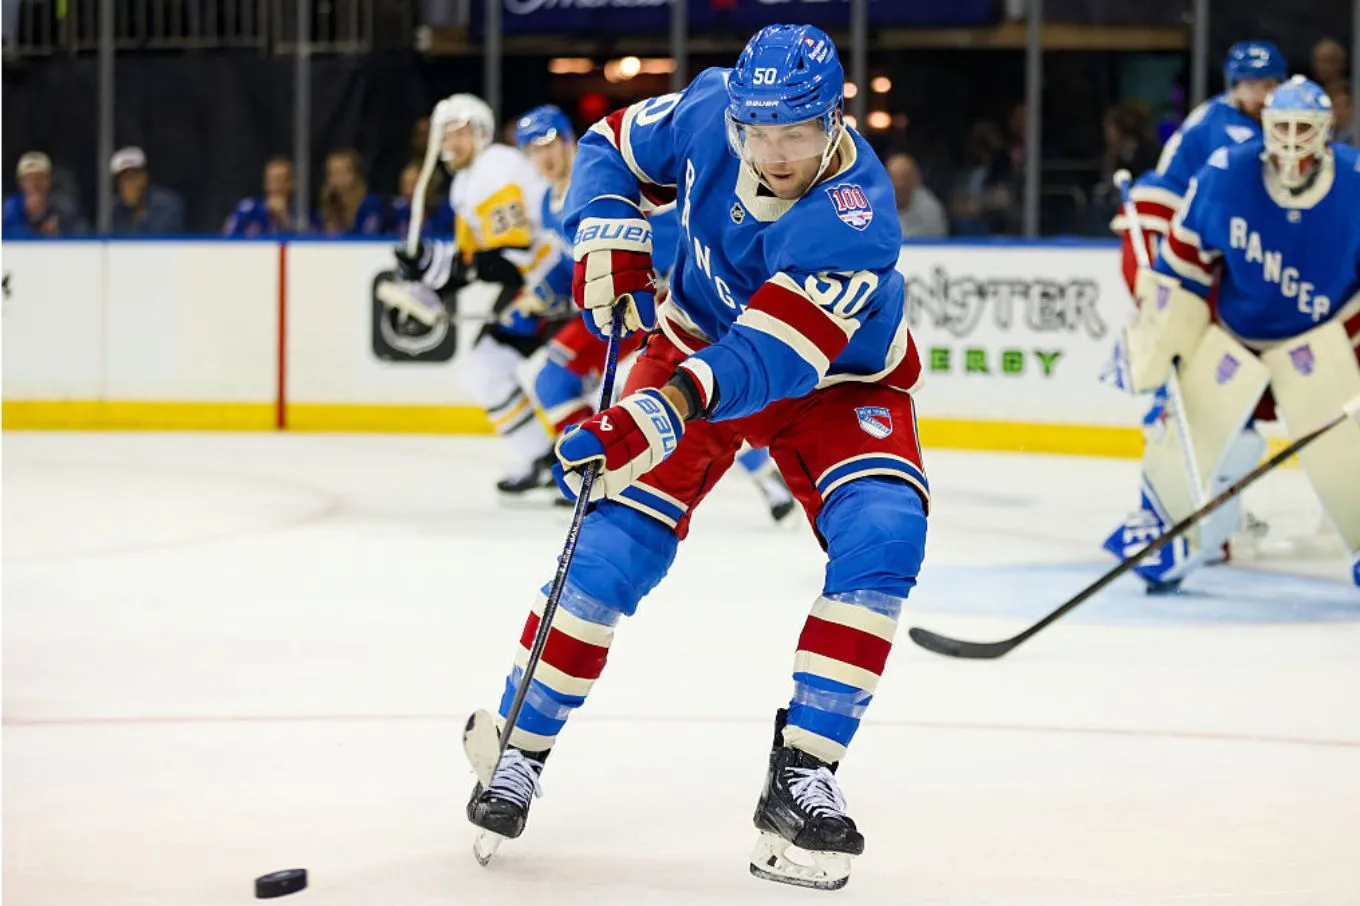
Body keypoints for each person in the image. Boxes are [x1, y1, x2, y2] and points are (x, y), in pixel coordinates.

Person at [465, 25, 929, 890]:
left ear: (835, 120)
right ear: (737, 120)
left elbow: (768, 360)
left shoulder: (855, 216)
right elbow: (608, 144)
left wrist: (655, 412)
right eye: (760, 133)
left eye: (798, 132)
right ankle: (519, 744)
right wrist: (605, 226)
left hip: (834, 380)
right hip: (693, 343)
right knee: (610, 552)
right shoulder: (709, 107)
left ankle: (803, 774)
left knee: (887, 534)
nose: (777, 154)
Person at [1103, 77, 1360, 591]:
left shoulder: (1355, 181)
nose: (1292, 140)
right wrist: (1161, 341)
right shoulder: (1225, 174)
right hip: (1235, 336)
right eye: (1282, 126)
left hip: (1320, 338)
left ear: (1326, 130)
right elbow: (1183, 267)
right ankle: (1171, 533)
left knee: (1345, 449)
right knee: (1192, 434)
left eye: (1303, 128)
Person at [513, 103, 797, 521]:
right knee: (556, 381)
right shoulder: (546, 204)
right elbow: (574, 261)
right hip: (615, 310)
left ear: (570, 140)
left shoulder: (610, 180)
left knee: (685, 393)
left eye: (550, 142)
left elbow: (674, 229)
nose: (544, 155)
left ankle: (608, 473)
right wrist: (542, 293)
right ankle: (596, 470)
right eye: (532, 149)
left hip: (656, 301)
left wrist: (663, 272)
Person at [390, 94, 568, 499]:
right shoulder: (465, 184)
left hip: (558, 280)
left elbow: (507, 257)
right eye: (445, 134)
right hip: (533, 282)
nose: (450, 141)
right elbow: (473, 259)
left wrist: (435, 267)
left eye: (460, 131)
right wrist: (426, 284)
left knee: (568, 378)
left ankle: (586, 466)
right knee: (484, 370)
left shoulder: (496, 167)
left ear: (482, 132)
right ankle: (544, 461)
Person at [1113, 41, 1287, 293]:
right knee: (1158, 299)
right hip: (1164, 216)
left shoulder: (1248, 119)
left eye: (1268, 86)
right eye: (1250, 86)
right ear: (1234, 87)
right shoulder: (1223, 125)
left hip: (1194, 220)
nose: (1260, 96)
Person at [2, 151, 87, 238]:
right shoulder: (10, 207)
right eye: (29, 179)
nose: (35, 184)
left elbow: (83, 233)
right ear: (20, 183)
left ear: (49, 180)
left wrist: (60, 231)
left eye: (40, 178)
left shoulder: (64, 207)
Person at [223, 156, 307, 237]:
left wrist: (284, 219)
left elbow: (307, 241)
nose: (274, 185)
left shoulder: (301, 212)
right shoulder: (249, 210)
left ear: (291, 184)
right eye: (271, 179)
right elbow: (227, 237)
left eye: (279, 180)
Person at [109, 146, 185, 235]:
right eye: (124, 179)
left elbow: (160, 239)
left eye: (134, 177)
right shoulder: (116, 208)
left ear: (145, 177)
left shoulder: (167, 204)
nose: (130, 184)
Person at [884, 152, 947, 239]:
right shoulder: (874, 206)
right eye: (894, 177)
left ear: (916, 179)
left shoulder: (930, 208)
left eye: (905, 178)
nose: (899, 184)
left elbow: (936, 242)